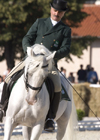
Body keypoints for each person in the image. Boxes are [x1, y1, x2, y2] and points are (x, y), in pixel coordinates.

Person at [0, 0, 71, 132]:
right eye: (55, 10)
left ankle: (50, 118)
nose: (57, 13)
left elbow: (66, 48)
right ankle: (2, 107)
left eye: (60, 11)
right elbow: (27, 38)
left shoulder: (65, 30)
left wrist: (54, 54)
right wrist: (28, 49)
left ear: (63, 13)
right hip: (31, 60)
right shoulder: (40, 22)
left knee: (57, 85)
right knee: (9, 77)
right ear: (51, 9)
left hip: (49, 63)